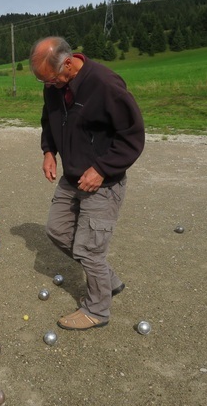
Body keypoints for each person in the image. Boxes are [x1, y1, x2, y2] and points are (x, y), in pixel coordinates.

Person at [29, 36, 145, 331]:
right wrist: (48, 152)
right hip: (72, 177)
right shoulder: (53, 86)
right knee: (57, 230)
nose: (50, 87)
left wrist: (103, 169)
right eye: (45, 82)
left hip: (103, 182)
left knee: (90, 249)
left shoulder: (105, 85)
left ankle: (97, 310)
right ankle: (107, 280)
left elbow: (132, 136)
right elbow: (49, 119)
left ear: (68, 63)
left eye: (53, 80)